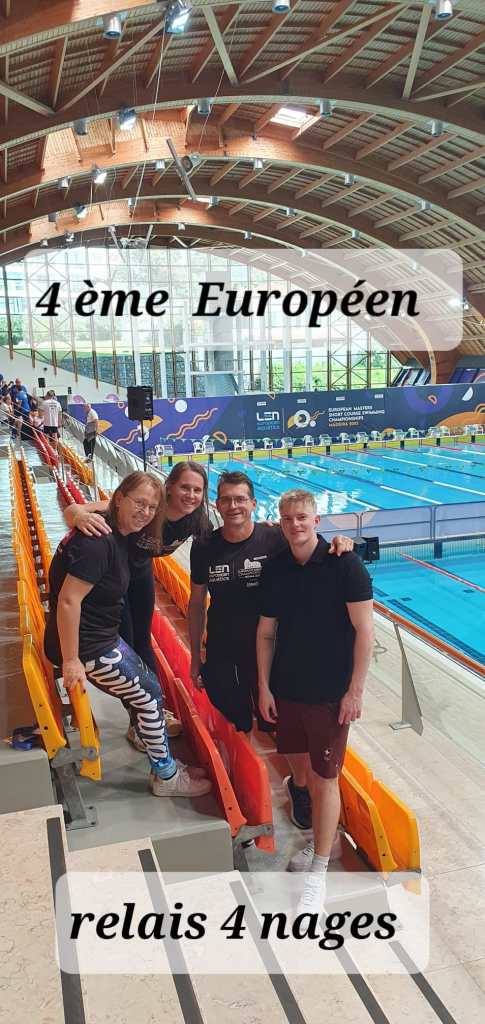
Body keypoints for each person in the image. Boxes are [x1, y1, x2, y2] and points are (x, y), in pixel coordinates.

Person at [44, 470, 211, 799]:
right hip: (88, 645)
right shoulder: (98, 540)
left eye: (151, 508)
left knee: (149, 684)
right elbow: (68, 601)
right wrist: (72, 660)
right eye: (139, 504)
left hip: (99, 635)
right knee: (149, 695)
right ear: (119, 499)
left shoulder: (120, 532)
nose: (145, 513)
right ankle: (166, 776)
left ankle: (163, 761)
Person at [256, 489, 374, 914]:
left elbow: (365, 631)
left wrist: (355, 691)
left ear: (317, 521)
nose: (295, 524)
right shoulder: (277, 567)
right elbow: (266, 631)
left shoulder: (346, 565)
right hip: (287, 690)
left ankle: (319, 872)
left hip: (329, 695)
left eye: (302, 517)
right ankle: (326, 839)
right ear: (280, 522)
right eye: (287, 518)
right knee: (301, 772)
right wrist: (265, 686)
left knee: (325, 780)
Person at [188, 471, 354, 737]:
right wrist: (196, 656)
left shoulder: (276, 537)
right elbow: (196, 604)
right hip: (224, 649)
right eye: (226, 500)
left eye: (240, 499)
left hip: (272, 649)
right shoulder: (204, 547)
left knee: (274, 722)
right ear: (216, 505)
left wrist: (341, 540)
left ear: (253, 504)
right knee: (235, 720)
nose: (233, 506)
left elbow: (309, 543)